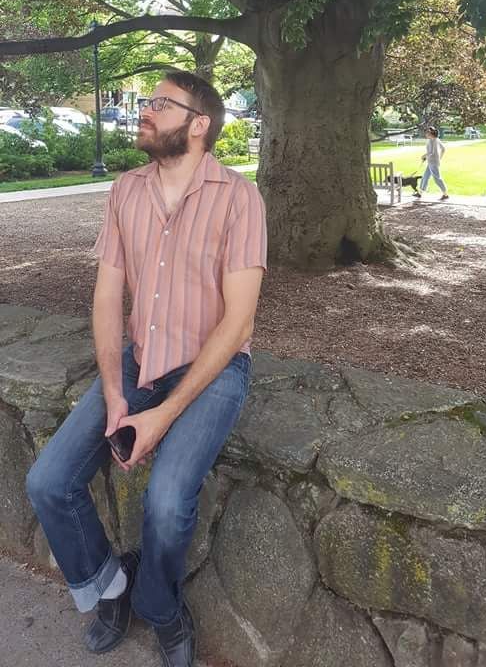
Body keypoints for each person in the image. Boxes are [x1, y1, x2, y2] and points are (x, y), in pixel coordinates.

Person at [26, 70, 267, 667]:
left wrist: (161, 414)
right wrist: (115, 392)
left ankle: (162, 609)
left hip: (212, 370)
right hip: (137, 362)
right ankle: (110, 583)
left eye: (161, 103)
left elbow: (237, 323)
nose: (145, 110)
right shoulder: (125, 191)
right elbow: (108, 296)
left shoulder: (239, 197)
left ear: (199, 123)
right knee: (48, 482)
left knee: (166, 501)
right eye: (148, 101)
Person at [420, 125, 449, 199]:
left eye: (427, 133)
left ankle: (445, 194)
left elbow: (432, 152)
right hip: (431, 161)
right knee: (425, 177)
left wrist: (424, 156)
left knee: (437, 178)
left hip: (433, 163)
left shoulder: (435, 140)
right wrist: (438, 158)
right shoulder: (431, 140)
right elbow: (443, 149)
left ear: (430, 133)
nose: (426, 134)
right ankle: (420, 192)